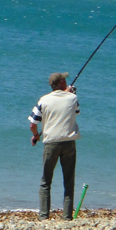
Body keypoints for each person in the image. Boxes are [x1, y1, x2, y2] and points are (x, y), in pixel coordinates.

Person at [28, 72, 80, 220]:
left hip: (51, 142)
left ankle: (44, 216)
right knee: (68, 181)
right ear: (62, 83)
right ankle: (67, 216)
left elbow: (33, 123)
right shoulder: (73, 98)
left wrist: (37, 135)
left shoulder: (44, 100)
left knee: (46, 181)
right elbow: (76, 112)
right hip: (69, 142)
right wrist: (69, 94)